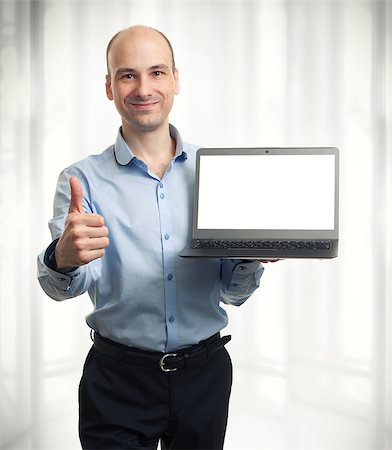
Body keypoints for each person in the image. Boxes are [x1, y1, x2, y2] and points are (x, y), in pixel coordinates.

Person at [37, 25, 264, 450]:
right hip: (116, 382)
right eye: (128, 75)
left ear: (176, 78)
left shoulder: (218, 173)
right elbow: (62, 286)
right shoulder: (81, 180)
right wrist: (63, 258)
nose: (144, 88)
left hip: (205, 377)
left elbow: (234, 293)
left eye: (157, 72)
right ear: (109, 87)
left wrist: (250, 256)